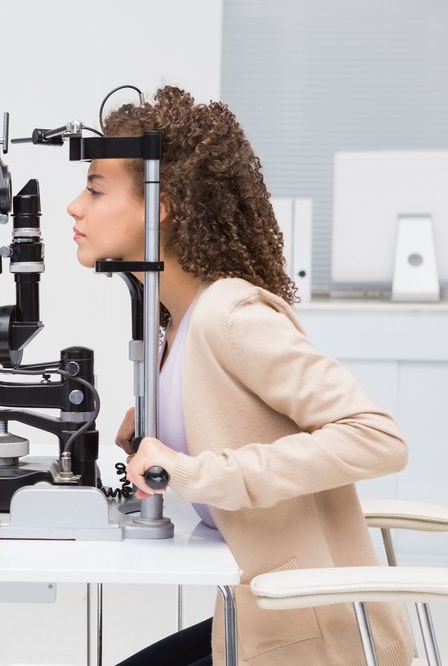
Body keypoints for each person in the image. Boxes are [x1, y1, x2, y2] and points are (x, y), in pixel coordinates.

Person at [67, 86, 413, 666]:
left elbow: (378, 437)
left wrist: (198, 471)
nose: (75, 207)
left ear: (160, 206)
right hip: (262, 616)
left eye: (96, 188)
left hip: (318, 636)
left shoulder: (230, 315)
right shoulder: (176, 327)